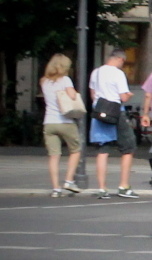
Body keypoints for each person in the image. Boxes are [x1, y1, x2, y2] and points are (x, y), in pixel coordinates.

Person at [89, 48, 139, 199]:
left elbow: (93, 95)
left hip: (99, 113)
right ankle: (123, 186)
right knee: (128, 147)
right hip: (117, 112)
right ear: (120, 60)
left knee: (103, 150)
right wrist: (129, 95)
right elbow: (123, 98)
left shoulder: (96, 72)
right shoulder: (118, 74)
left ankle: (102, 189)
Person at [39, 53, 83, 197]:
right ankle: (69, 180)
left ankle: (56, 189)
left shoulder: (44, 81)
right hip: (65, 121)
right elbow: (71, 96)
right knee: (75, 150)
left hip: (49, 122)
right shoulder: (65, 80)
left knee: (54, 156)